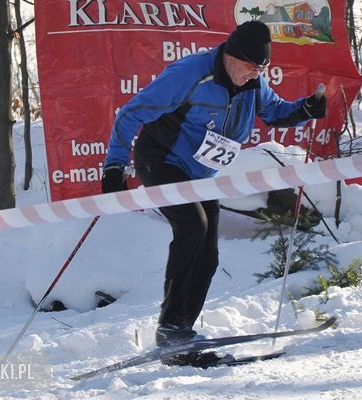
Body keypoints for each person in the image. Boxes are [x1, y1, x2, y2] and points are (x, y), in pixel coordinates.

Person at [101, 20, 326, 358]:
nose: (256, 74)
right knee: (193, 226)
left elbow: (276, 112)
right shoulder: (191, 73)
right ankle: (170, 328)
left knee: (208, 252)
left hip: (199, 174)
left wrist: (306, 109)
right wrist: (115, 164)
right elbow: (131, 114)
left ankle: (182, 329)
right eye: (252, 66)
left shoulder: (253, 83)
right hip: (161, 161)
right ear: (232, 56)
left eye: (262, 68)